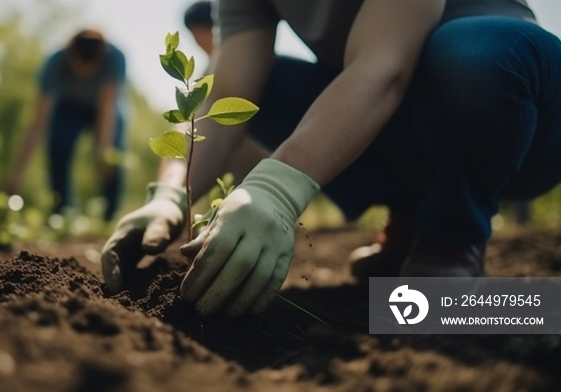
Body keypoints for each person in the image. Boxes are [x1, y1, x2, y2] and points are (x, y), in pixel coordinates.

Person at [101, 0, 561, 317]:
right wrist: (167, 195)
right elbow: (226, 94)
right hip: (403, 116)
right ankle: (413, 217)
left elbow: (385, 65)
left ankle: (452, 237)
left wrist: (275, 189)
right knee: (269, 86)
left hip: (519, 114)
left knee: (469, 54)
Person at [5, 29, 127, 222]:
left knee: (112, 155)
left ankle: (110, 217)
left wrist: (103, 152)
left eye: (90, 68)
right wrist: (16, 175)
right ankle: (61, 213)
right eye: (79, 66)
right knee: (58, 148)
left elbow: (107, 109)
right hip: (68, 108)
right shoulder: (55, 63)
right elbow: (37, 123)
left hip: (104, 109)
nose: (84, 73)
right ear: (70, 54)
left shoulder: (115, 58)